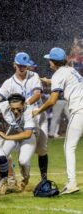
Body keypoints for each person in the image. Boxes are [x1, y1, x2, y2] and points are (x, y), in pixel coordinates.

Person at [0, 52, 49, 181]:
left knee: (42, 149)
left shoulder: (34, 76)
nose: (22, 68)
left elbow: (37, 94)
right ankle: (9, 178)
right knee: (10, 152)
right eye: (19, 65)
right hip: (19, 120)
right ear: (14, 65)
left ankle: (44, 179)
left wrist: (24, 105)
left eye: (24, 65)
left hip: (38, 115)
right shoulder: (9, 82)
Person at [33, 47, 83, 195]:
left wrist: (38, 110)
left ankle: (72, 182)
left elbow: (52, 100)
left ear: (53, 62)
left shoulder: (58, 74)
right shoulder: (70, 70)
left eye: (50, 60)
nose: (49, 62)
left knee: (69, 147)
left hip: (80, 110)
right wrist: (49, 81)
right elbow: (65, 81)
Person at [0, 93, 37, 192]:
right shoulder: (4, 105)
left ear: (24, 104)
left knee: (23, 161)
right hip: (12, 135)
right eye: (13, 109)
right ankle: (3, 181)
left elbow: (27, 134)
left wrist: (6, 137)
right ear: (9, 105)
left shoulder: (29, 110)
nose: (16, 111)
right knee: (1, 157)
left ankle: (25, 180)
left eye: (18, 109)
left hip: (27, 138)